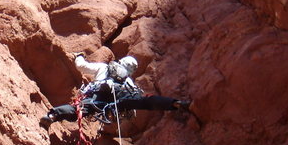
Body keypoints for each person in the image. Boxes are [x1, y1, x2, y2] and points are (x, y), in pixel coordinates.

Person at [39, 52, 190, 128]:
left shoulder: (104, 67)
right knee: (146, 102)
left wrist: (78, 56)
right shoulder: (127, 80)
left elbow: (81, 66)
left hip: (99, 94)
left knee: (79, 109)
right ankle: (175, 103)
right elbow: (137, 97)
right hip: (119, 98)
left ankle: (52, 116)